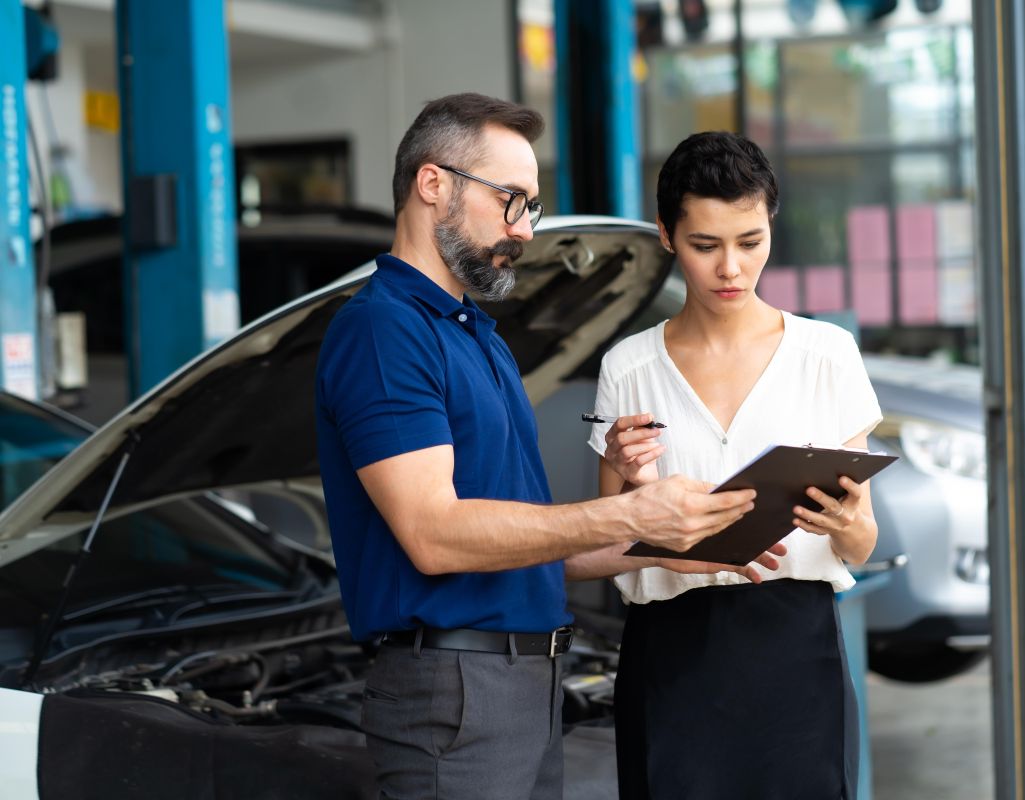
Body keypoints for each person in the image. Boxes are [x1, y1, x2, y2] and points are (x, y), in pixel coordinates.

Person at [314, 94, 777, 800]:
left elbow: (539, 551)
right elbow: (433, 535)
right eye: (512, 201)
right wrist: (630, 515)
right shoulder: (383, 331)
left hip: (526, 685)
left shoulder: (479, 338)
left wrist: (681, 541)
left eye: (530, 205)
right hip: (454, 694)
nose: (525, 231)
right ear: (432, 183)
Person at [588, 131, 883, 800]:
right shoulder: (628, 369)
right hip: (671, 658)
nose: (731, 269)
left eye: (750, 242)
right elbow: (599, 551)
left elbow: (864, 544)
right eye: (705, 245)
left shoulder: (826, 356)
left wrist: (842, 521)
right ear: (666, 234)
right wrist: (640, 508)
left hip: (797, 653)